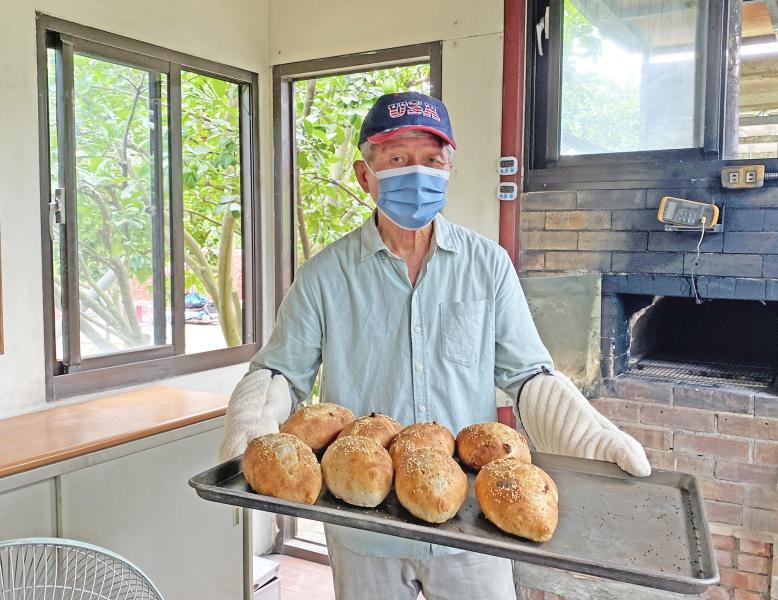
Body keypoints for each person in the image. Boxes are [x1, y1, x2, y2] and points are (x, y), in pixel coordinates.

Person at [220, 91, 650, 600]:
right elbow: (281, 373)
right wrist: (250, 424)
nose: (417, 174)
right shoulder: (323, 276)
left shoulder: (487, 265)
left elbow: (529, 375)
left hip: (468, 521)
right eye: (398, 159)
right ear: (366, 176)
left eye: (431, 160)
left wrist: (589, 436)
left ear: (449, 169)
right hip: (363, 523)